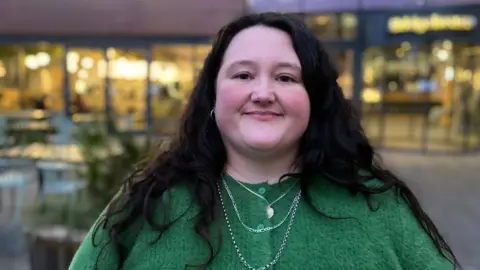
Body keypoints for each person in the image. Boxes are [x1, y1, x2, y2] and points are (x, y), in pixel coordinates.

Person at [70, 13, 457, 269]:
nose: (263, 92)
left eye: (286, 78)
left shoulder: (378, 206)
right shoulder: (149, 203)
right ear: (213, 96)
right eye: (242, 75)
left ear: (313, 100)